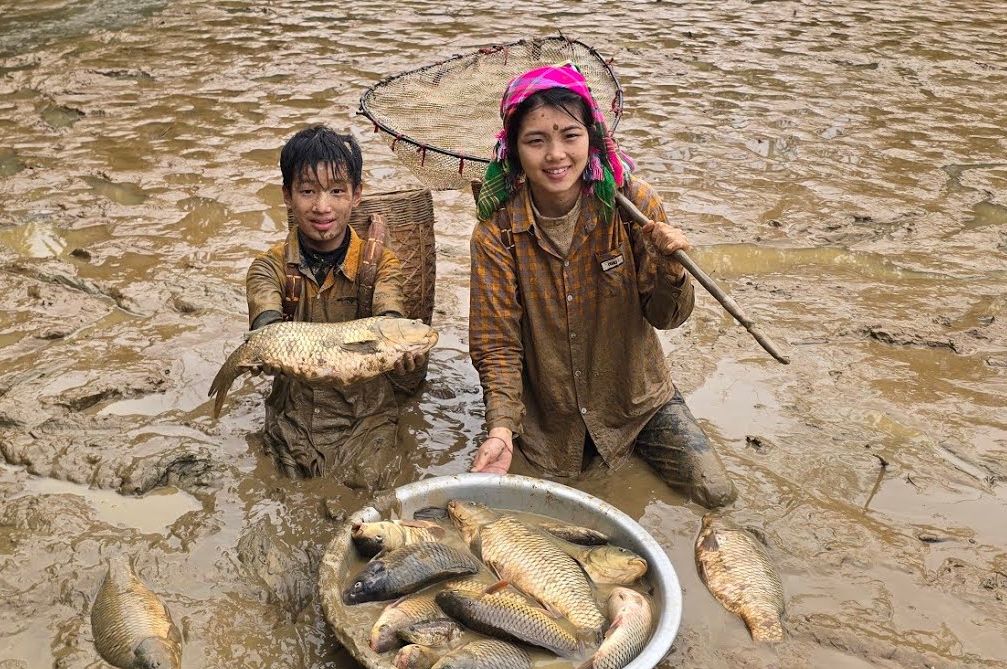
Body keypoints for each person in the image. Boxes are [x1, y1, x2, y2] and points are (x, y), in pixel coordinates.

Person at [467, 63, 736, 508]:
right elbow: (497, 344)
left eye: (570, 136)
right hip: (547, 420)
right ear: (514, 151)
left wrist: (672, 268)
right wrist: (500, 427)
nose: (556, 155)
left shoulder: (634, 205)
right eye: (537, 140)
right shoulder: (495, 233)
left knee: (718, 496)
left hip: (639, 404)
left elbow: (668, 318)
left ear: (591, 138)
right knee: (509, 513)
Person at [244, 125, 425, 488]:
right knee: (284, 493)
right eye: (308, 191)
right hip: (292, 414)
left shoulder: (383, 265)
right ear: (287, 196)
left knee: (378, 490)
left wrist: (402, 351)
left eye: (336, 191)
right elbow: (265, 323)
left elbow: (390, 316)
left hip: (366, 416)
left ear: (356, 195)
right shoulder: (268, 267)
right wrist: (262, 348)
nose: (322, 207)